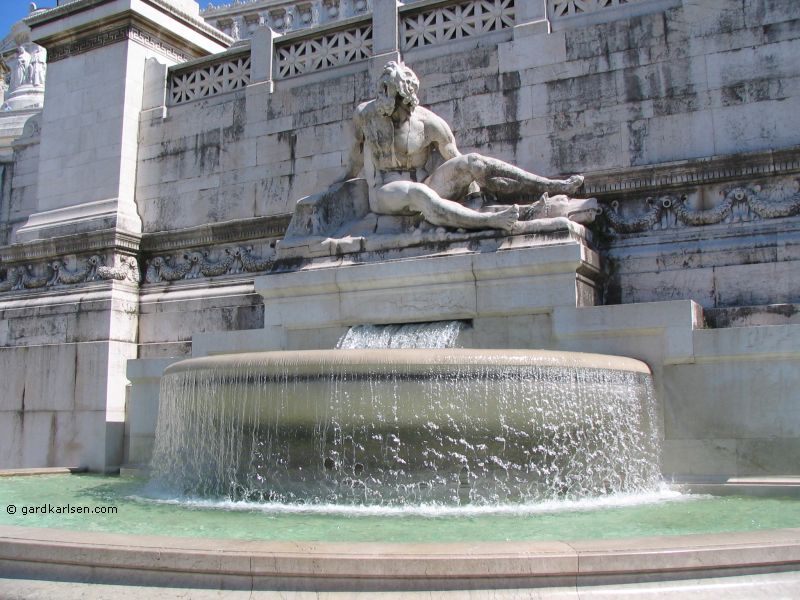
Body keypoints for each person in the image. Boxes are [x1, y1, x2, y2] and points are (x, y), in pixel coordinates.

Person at [336, 61, 585, 232]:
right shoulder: (365, 116)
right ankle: (490, 221)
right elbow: (355, 158)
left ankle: (550, 185)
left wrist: (475, 194)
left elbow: (455, 159)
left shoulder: (428, 123)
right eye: (394, 104)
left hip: (425, 185)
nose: (401, 112)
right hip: (384, 194)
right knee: (418, 193)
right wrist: (339, 184)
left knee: (473, 161)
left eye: (404, 105)